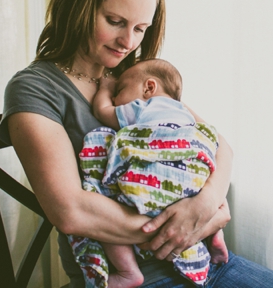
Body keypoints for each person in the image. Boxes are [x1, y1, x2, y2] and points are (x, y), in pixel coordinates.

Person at [0, 0, 273, 287]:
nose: (128, 41)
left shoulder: (136, 76)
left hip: (201, 261)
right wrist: (183, 228)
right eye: (115, 22)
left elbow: (219, 146)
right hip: (128, 276)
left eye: (140, 28)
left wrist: (206, 203)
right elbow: (70, 211)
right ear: (78, 7)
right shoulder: (34, 88)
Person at [71, 58, 227, 287]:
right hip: (189, 183)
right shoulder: (183, 112)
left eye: (121, 90)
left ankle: (127, 272)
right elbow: (215, 143)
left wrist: (106, 88)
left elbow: (103, 111)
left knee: (104, 197)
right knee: (196, 198)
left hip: (151, 188)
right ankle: (215, 239)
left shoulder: (142, 108)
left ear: (149, 87)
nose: (116, 99)